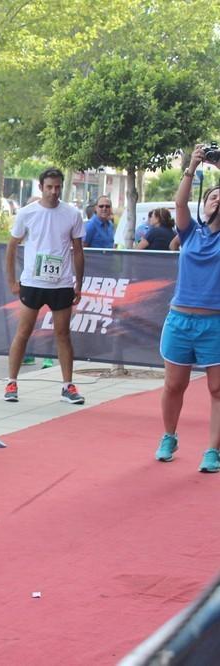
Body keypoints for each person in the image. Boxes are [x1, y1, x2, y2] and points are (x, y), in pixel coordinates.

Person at [154, 144, 220, 473]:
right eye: (213, 196)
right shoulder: (190, 232)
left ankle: (213, 451)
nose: (218, 200)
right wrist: (192, 166)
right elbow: (180, 203)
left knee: (217, 389)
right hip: (179, 320)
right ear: (204, 205)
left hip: (215, 325)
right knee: (173, 385)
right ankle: (169, 436)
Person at [4, 167, 86, 405]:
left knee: (63, 334)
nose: (53, 191)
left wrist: (79, 283)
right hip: (33, 282)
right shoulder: (27, 213)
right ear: (41, 187)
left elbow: (78, 251)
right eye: (49, 187)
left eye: (58, 187)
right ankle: (11, 382)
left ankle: (68, 386)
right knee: (23, 332)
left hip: (61, 284)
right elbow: (11, 247)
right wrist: (12, 280)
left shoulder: (72, 214)